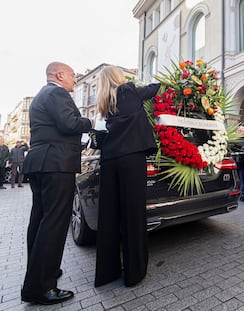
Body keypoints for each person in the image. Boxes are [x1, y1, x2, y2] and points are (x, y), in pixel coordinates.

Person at [21, 62, 92, 305]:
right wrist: (90, 123)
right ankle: (41, 287)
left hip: (41, 162)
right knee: (54, 222)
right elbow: (70, 124)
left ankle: (39, 271)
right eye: (73, 75)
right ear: (60, 75)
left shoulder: (43, 95)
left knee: (40, 220)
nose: (75, 79)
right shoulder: (56, 92)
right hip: (56, 163)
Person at [94, 66, 160, 287]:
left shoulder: (104, 102)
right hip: (131, 158)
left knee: (109, 215)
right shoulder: (128, 90)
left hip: (109, 159)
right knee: (133, 214)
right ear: (118, 77)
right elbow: (154, 89)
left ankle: (107, 272)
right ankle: (134, 272)